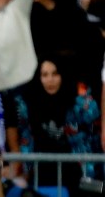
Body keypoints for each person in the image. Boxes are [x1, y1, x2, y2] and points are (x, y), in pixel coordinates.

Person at [14, 57, 100, 194]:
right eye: (45, 75)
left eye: (55, 74)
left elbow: (93, 118)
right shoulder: (29, 103)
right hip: (42, 173)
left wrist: (80, 95)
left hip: (77, 172)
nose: (50, 80)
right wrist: (25, 169)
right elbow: (25, 138)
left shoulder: (76, 100)